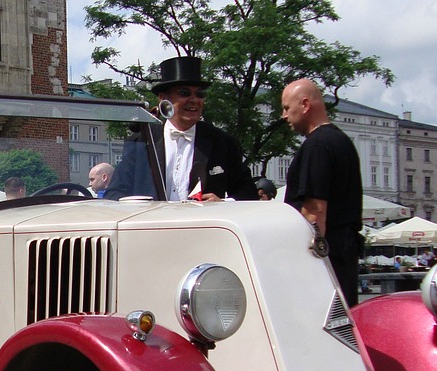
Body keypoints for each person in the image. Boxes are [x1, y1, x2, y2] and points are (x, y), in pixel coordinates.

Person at [104, 56, 256, 202]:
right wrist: (138, 204)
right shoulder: (142, 141)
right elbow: (114, 194)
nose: (194, 100)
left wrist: (223, 202)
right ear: (164, 99)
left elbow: (249, 193)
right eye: (184, 93)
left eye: (200, 94)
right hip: (152, 226)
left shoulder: (222, 142)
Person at [281, 78, 364, 306]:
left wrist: (305, 262)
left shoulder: (316, 146)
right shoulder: (341, 141)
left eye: (287, 108)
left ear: (305, 105)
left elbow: (315, 213)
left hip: (328, 253)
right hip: (344, 250)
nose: (284, 116)